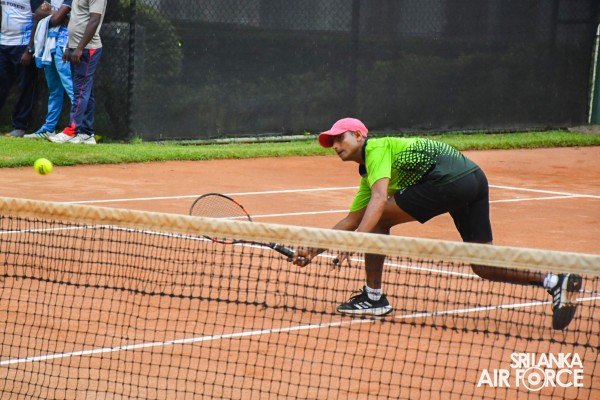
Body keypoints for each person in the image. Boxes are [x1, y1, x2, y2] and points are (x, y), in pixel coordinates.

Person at [293, 117, 582, 330]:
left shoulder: (376, 148)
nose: (335, 145)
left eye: (339, 138)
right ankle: (554, 280)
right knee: (482, 264)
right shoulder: (369, 174)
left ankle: (374, 298)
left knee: (379, 220)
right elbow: (352, 219)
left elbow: (379, 202)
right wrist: (313, 250)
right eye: (331, 142)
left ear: (358, 135)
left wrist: (356, 242)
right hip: (473, 179)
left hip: (448, 181)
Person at [48, 0, 106, 145]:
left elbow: (94, 20)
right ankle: (86, 133)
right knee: (86, 91)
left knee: (80, 91)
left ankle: (71, 131)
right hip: (76, 47)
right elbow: (76, 19)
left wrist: (79, 48)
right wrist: (69, 46)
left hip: (87, 48)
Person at [23, 0, 74, 139]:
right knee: (54, 90)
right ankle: (49, 128)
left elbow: (56, 19)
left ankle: (77, 128)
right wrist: (58, 15)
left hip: (64, 45)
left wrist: (52, 14)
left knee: (71, 89)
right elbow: (38, 14)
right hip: (48, 44)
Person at [0, 0, 42, 137]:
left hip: (23, 45)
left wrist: (30, 49)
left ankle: (20, 126)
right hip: (3, 43)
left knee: (25, 87)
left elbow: (39, 19)